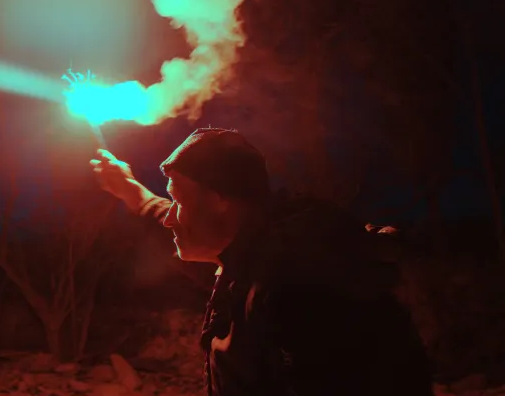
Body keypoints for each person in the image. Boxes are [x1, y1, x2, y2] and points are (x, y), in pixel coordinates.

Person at [90, 128, 433, 396]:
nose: (170, 219)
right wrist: (131, 190)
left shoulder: (299, 287)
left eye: (178, 200)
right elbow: (177, 222)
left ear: (219, 200)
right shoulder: (254, 255)